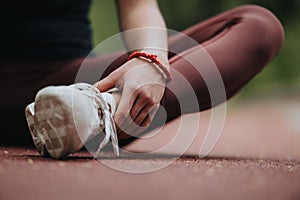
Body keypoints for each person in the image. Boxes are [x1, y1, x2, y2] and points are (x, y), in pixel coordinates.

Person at [1, 1, 284, 158]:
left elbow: (139, 7)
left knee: (259, 26)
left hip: (76, 85)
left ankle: (103, 111)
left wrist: (149, 61)